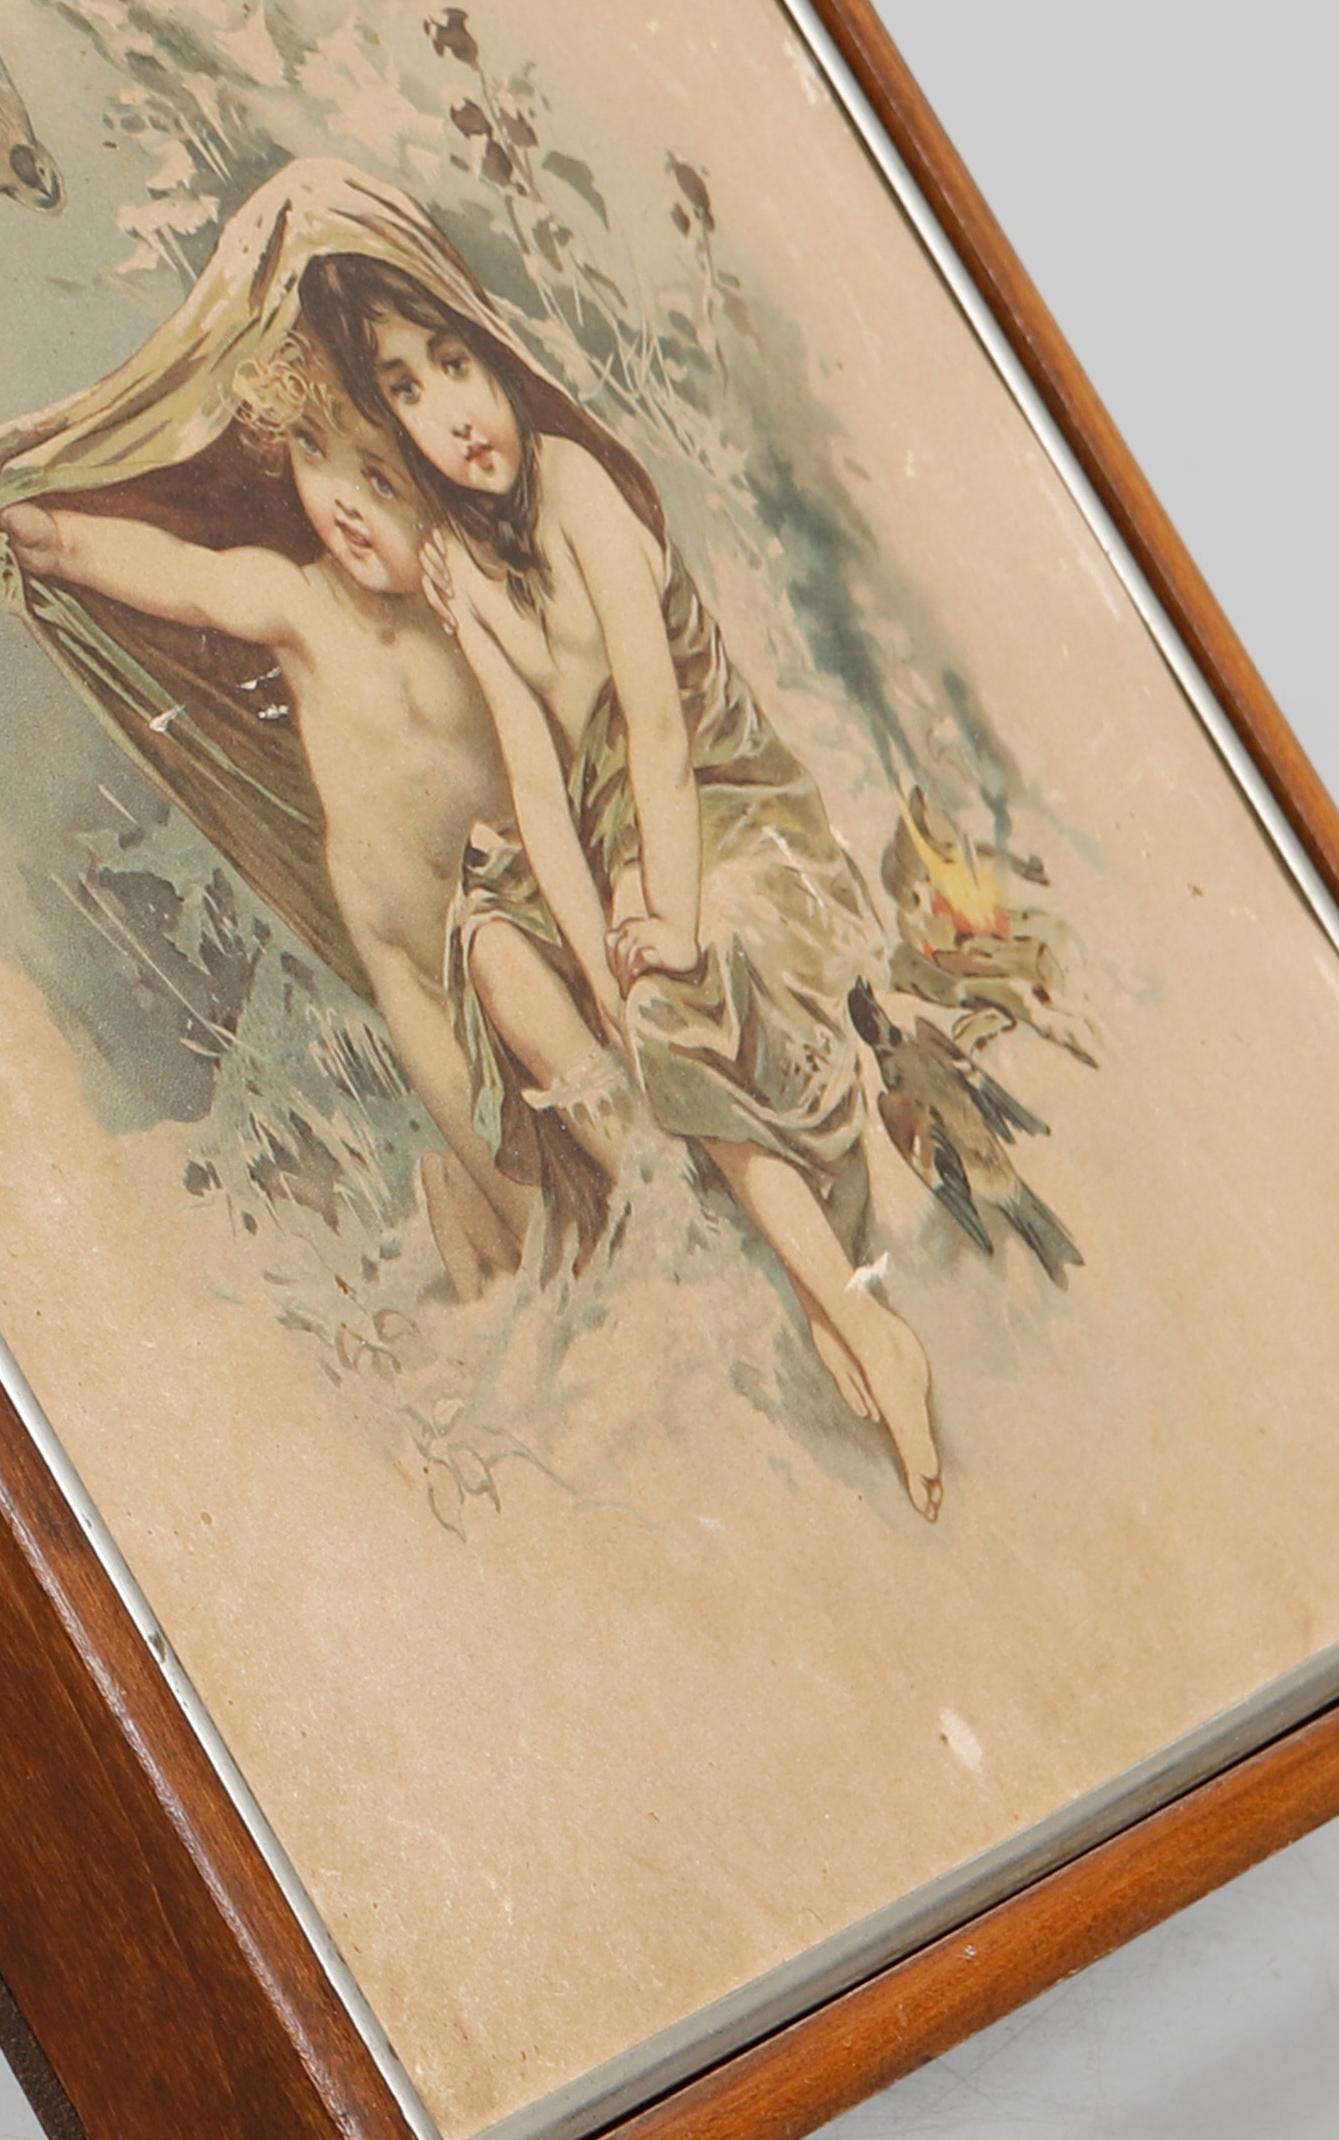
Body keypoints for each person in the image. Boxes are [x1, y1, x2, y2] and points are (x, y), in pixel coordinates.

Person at [301, 252, 945, 1520]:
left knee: (663, 995)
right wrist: (598, 953)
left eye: (455, 365)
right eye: (408, 392)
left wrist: (664, 929)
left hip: (721, 800)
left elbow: (657, 731)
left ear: (496, 357)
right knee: (502, 945)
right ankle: (781, 1271)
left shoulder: (577, 486)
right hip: (611, 839)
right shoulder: (461, 568)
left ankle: (860, 1320)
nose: (451, 414)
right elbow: (540, 788)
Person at [0, 340, 533, 1292]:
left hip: (507, 917)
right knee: (511, 1179)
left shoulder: (474, 607)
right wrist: (65, 543)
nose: (344, 503)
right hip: (404, 954)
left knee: (571, 1128)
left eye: (380, 479)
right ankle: (495, 1226)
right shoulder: (302, 601)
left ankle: (483, 1221)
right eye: (314, 452)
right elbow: (187, 576)